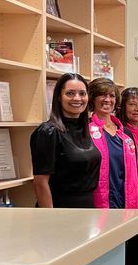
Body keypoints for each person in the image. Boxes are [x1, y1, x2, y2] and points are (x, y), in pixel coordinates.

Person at [30, 73, 100, 208]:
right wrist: (50, 218)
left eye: (82, 93)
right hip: (61, 209)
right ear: (59, 97)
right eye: (70, 93)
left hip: (88, 209)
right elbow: (40, 183)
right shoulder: (48, 132)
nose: (77, 98)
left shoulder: (86, 129)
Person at [87, 78, 138, 210]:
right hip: (98, 203)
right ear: (92, 98)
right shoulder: (86, 130)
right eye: (102, 95)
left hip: (126, 202)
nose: (107, 99)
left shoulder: (125, 133)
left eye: (111, 96)